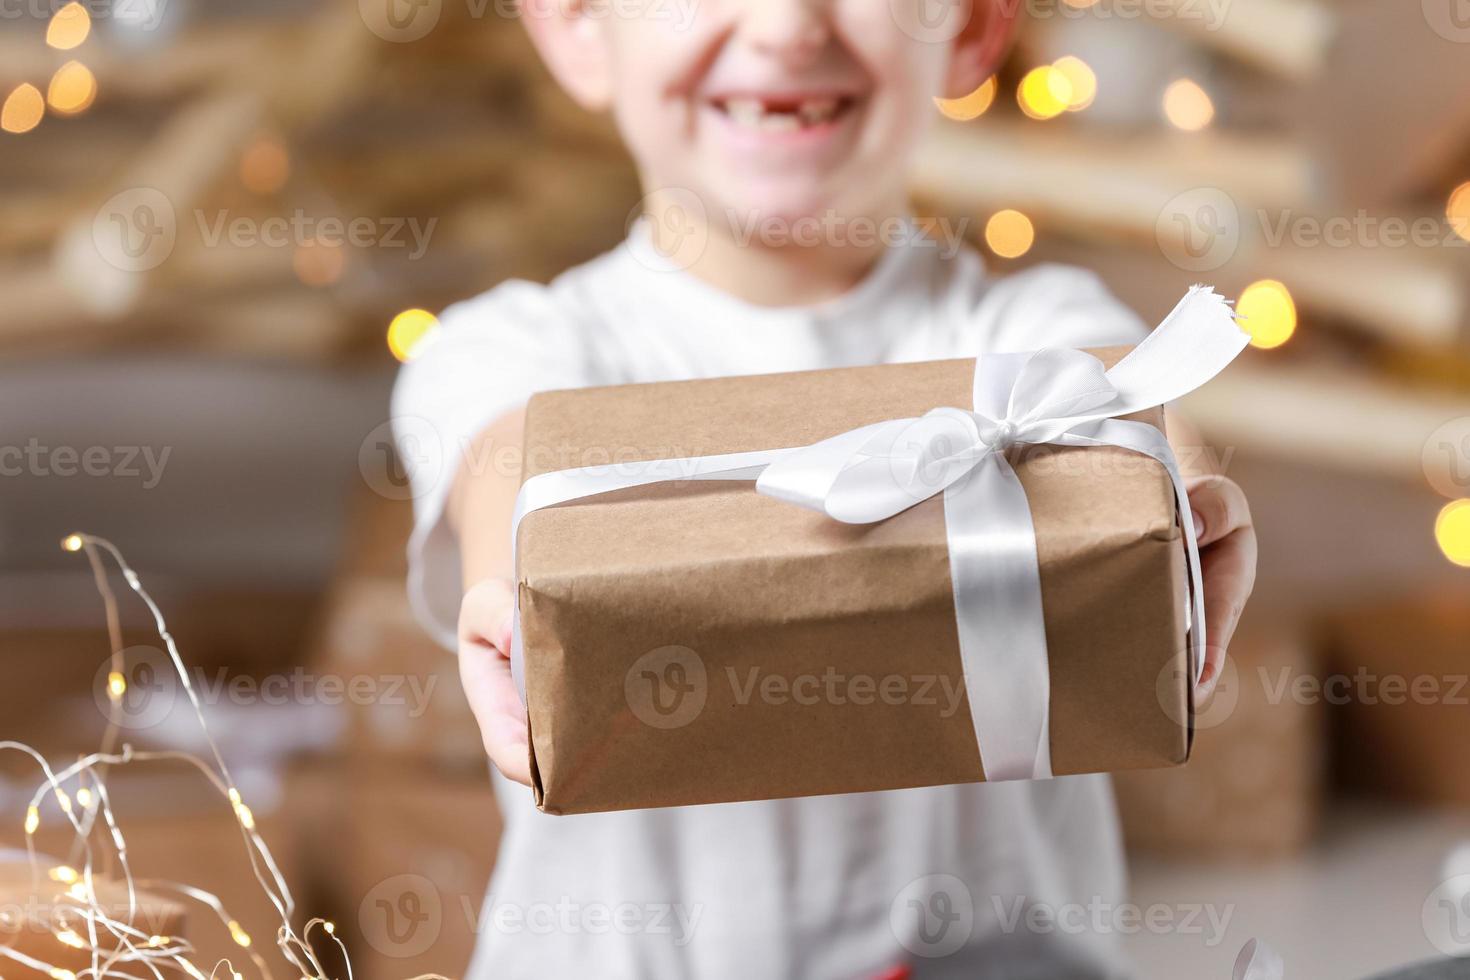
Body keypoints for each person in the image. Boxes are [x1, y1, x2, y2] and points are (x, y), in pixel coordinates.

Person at [392, 0, 1257, 975]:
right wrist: (505, 580)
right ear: (578, 26)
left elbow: (1127, 412)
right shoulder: (511, 349)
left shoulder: (1025, 324)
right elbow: (511, 472)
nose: (786, 25)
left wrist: (1184, 496)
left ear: (973, 30)